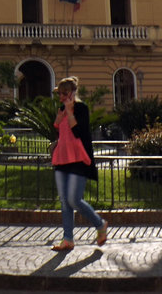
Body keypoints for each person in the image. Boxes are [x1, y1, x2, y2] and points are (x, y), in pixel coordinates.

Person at [50, 76, 108, 251]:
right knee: (64, 201)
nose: (61, 97)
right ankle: (67, 239)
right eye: (59, 94)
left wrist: (69, 112)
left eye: (64, 93)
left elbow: (78, 132)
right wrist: (59, 118)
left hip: (78, 158)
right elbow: (58, 128)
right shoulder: (62, 108)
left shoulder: (81, 108)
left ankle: (100, 224)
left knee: (74, 199)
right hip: (62, 158)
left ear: (73, 92)